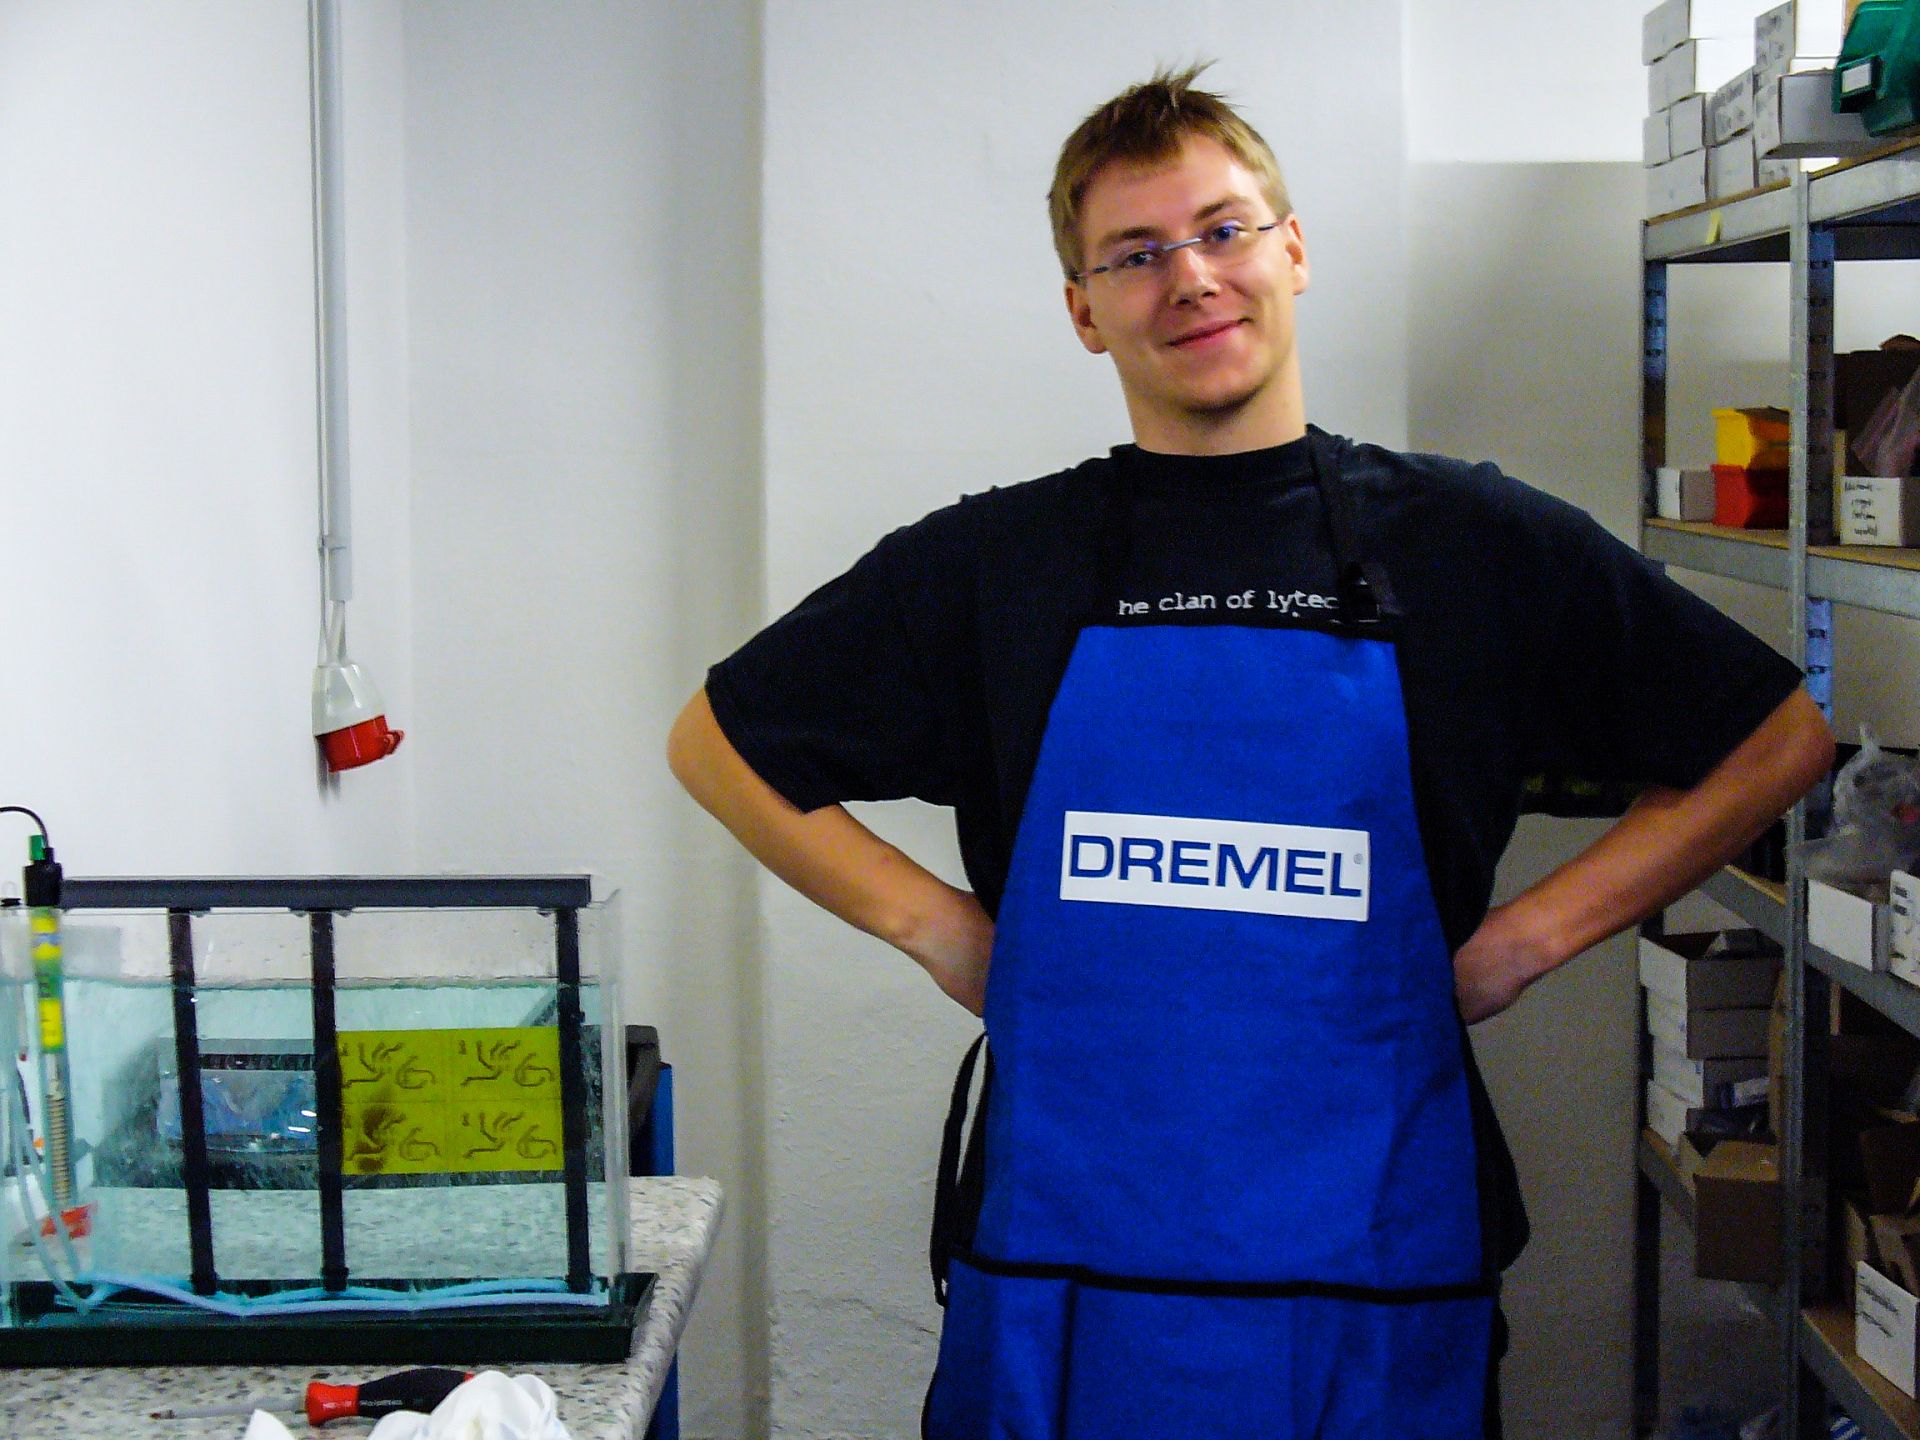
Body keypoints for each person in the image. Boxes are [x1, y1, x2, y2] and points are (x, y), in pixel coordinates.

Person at [668, 63, 1833, 1440]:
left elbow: (1778, 737)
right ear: (1082, 310)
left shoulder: (1464, 543)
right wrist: (936, 929)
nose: (1191, 278)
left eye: (1224, 229)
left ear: (1293, 249)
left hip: (1377, 1267)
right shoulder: (999, 563)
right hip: (1066, 1274)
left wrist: (1522, 943)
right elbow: (717, 741)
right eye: (1137, 253)